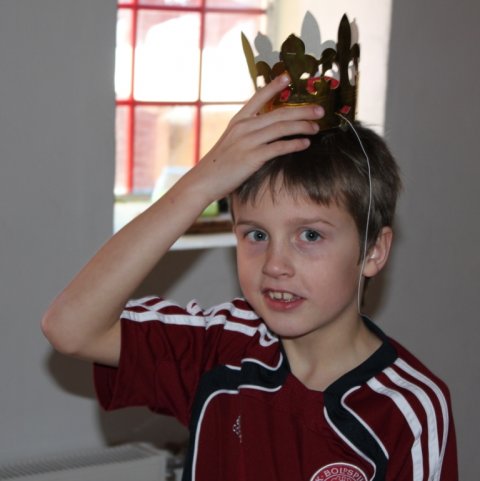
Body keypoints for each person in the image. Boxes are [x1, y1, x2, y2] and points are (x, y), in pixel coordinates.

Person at [41, 73, 458, 481]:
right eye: (256, 235)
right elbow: (69, 327)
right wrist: (200, 185)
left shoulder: (408, 409)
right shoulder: (220, 347)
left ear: (373, 251)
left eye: (310, 235)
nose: (275, 264)